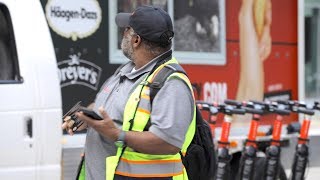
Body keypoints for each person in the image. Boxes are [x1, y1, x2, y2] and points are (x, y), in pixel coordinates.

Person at [62, 5, 195, 180]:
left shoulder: (171, 83)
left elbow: (168, 142)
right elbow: (107, 108)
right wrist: (86, 116)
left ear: (136, 40)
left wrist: (117, 135)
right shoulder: (125, 70)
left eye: (127, 30)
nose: (123, 33)